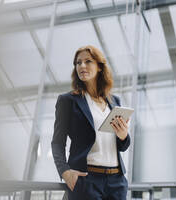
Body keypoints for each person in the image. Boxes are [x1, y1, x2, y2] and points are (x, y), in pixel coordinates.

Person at [51, 45, 131, 200]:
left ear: (100, 66)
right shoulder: (68, 101)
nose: (82, 66)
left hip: (117, 181)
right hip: (87, 180)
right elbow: (57, 142)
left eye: (88, 61)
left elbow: (123, 146)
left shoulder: (114, 101)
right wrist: (65, 172)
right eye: (78, 63)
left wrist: (123, 135)